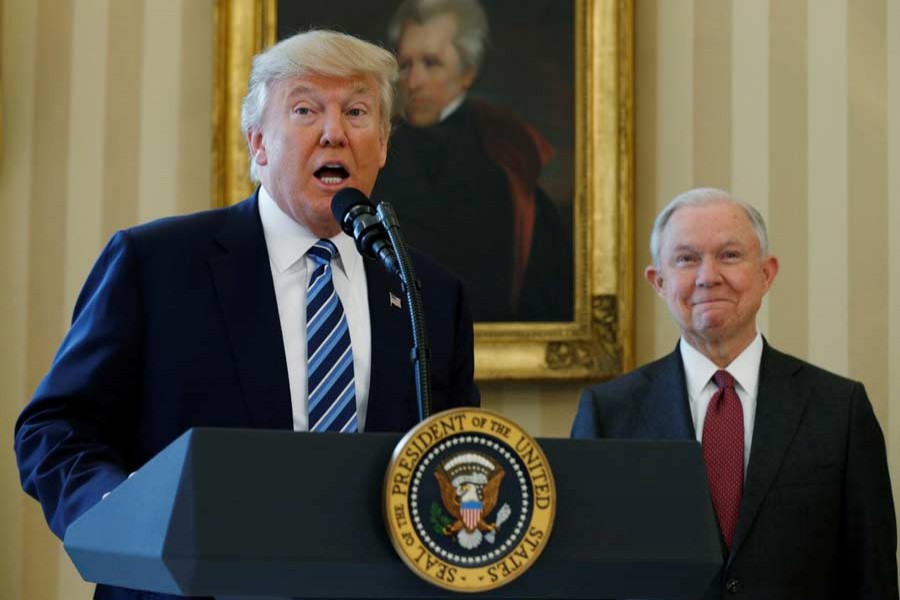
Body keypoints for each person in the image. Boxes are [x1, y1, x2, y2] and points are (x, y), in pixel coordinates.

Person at [14, 30, 480, 600]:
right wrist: (123, 514)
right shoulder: (155, 265)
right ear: (258, 143)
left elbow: (454, 459)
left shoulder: (429, 292)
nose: (334, 132)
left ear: (381, 144)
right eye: (306, 109)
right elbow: (54, 428)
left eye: (357, 112)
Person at [571, 188, 897, 599]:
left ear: (767, 273)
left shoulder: (840, 410)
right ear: (659, 281)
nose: (708, 276)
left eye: (729, 255)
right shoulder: (608, 413)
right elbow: (584, 579)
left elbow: (874, 578)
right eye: (686, 259)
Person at [371, 0, 572, 322]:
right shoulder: (377, 146)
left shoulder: (503, 153)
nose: (414, 80)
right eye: (406, 64)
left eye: (431, 63)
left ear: (467, 73)